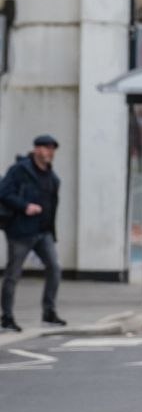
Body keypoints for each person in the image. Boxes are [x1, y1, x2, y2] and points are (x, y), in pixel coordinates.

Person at [0, 135, 64, 332]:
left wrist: (52, 233)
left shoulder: (52, 177)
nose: (49, 152)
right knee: (13, 274)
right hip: (21, 231)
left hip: (43, 232)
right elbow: (3, 193)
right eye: (46, 148)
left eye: (52, 148)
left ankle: (49, 312)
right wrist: (25, 206)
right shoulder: (20, 170)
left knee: (54, 268)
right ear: (36, 149)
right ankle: (7, 317)